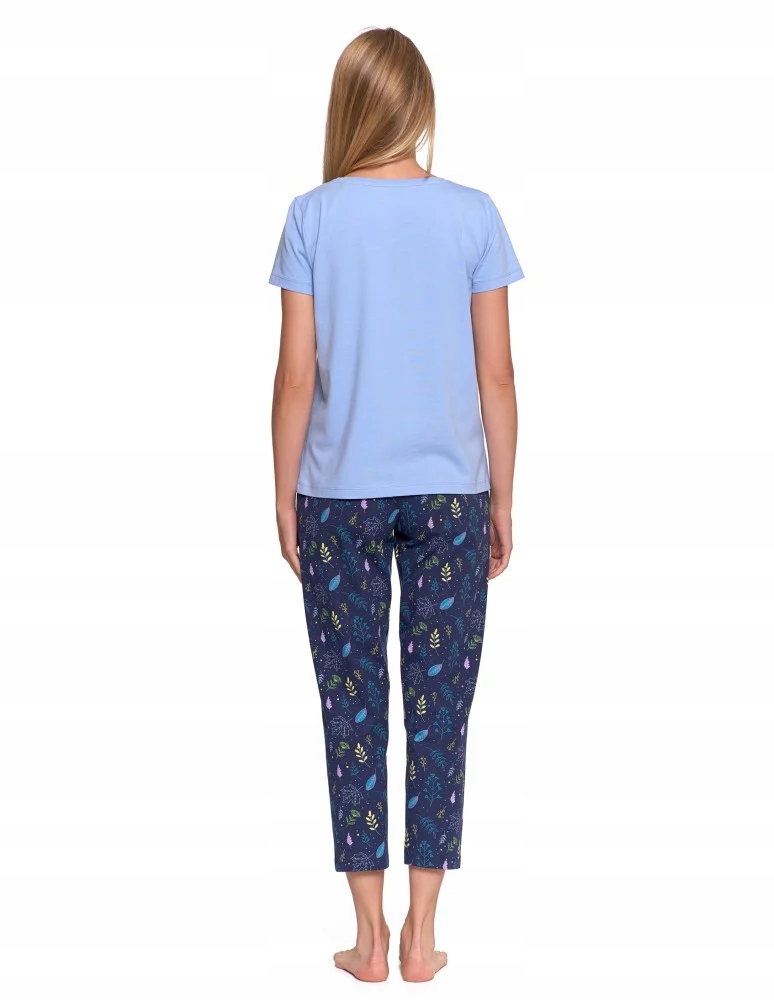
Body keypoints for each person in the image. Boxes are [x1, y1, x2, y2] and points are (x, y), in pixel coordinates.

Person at [269, 26, 524, 983]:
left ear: (348, 104)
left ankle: (367, 936)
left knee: (352, 706)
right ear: (418, 105)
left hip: (337, 495)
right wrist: (504, 495)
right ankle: (424, 932)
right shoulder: (473, 215)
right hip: (454, 494)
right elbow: (497, 373)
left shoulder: (312, 217)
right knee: (439, 707)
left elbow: (297, 376)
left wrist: (284, 493)